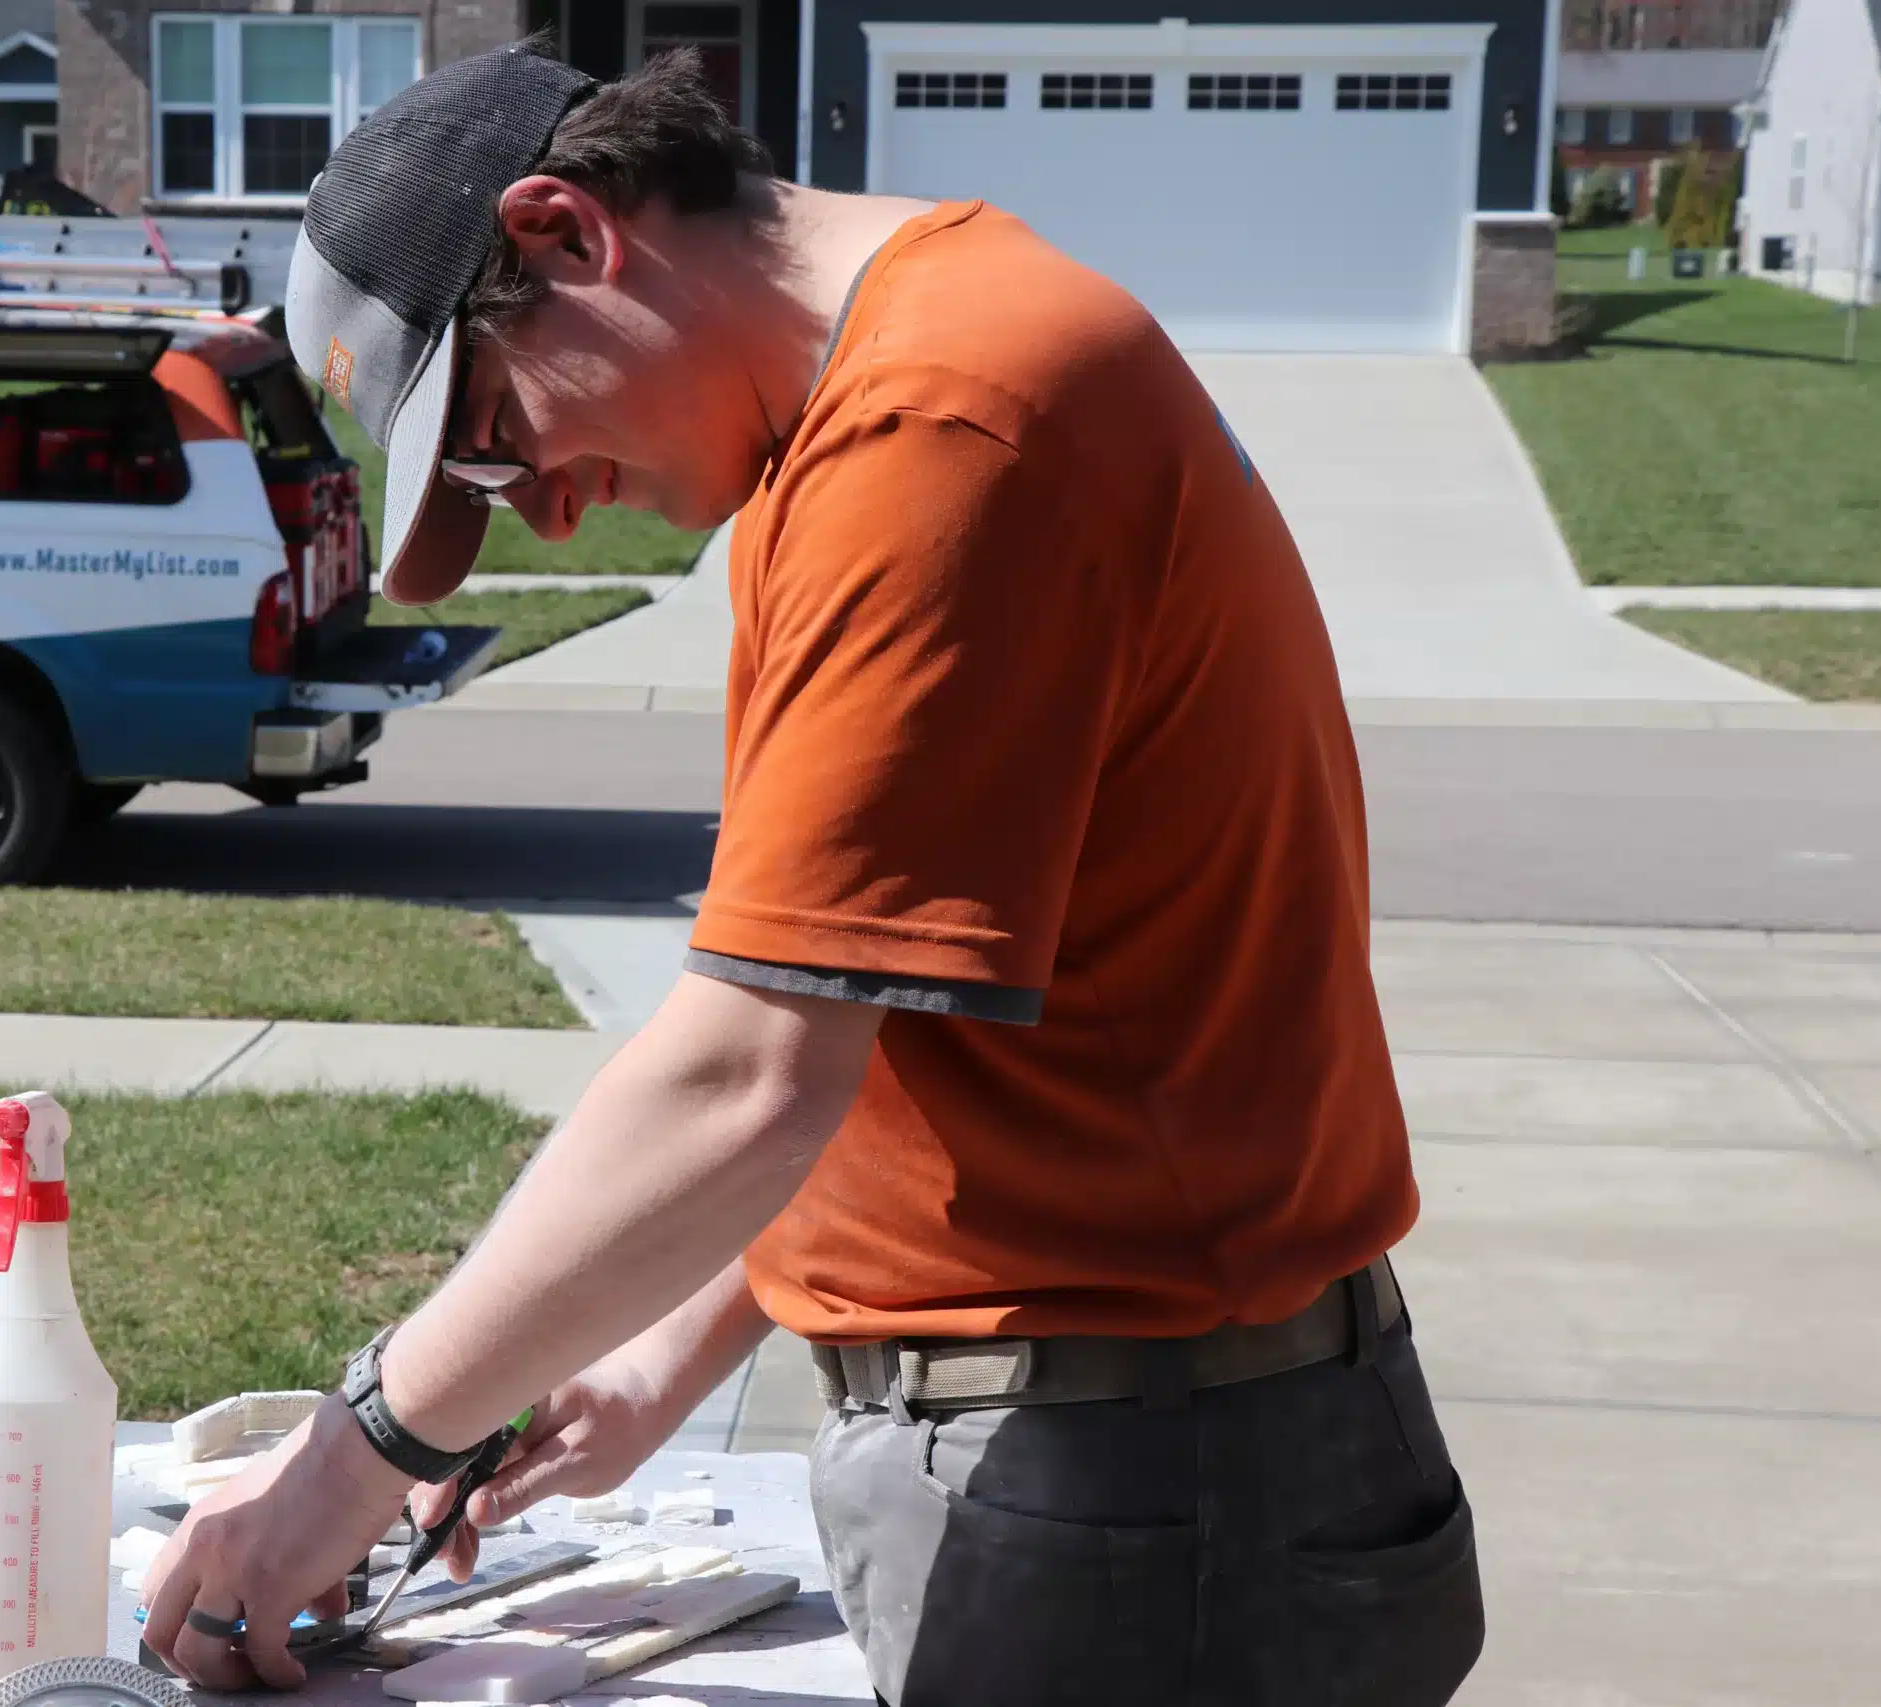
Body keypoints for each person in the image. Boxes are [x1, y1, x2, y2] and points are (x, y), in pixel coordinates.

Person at [140, 39, 1486, 1707]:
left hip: (1152, 1486)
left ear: (566, 235)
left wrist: (354, 1457)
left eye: (490, 439)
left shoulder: (943, 427)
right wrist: (652, 1356)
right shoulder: (879, 405)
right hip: (1138, 1457)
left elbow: (748, 1070)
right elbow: (874, 1011)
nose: (543, 519)